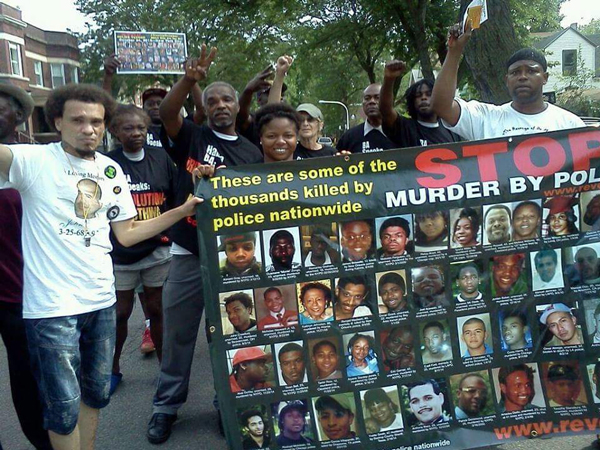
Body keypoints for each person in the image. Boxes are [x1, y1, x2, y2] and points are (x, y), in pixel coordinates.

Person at [0, 83, 201, 450]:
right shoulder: (31, 160)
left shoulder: (110, 169)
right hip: (51, 309)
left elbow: (127, 233)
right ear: (57, 121)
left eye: (96, 121)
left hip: (101, 301)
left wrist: (182, 210)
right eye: (77, 120)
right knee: (61, 409)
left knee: (94, 396)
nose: (88, 128)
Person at [149, 47, 263, 444]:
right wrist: (189, 80)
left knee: (228, 338)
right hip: (187, 252)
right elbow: (166, 113)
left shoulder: (252, 152)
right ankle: (165, 407)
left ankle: (225, 406)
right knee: (178, 336)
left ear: (237, 105)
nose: (219, 105)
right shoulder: (193, 136)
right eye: (212, 100)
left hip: (232, 260)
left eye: (226, 99)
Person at [107, 104, 177, 394]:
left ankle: (165, 370)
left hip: (157, 250)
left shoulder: (161, 158)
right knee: (120, 314)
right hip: (121, 253)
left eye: (140, 128)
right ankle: (111, 370)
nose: (135, 133)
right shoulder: (106, 163)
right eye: (128, 128)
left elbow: (173, 199)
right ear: (114, 131)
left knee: (157, 310)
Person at [0, 82, 52, 450]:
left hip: (19, 293)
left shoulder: (37, 162)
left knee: (28, 378)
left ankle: (44, 443)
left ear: (19, 116)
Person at [431, 23, 585, 139]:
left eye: (531, 71)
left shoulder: (570, 125)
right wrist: (454, 51)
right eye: (515, 72)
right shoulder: (486, 119)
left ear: (545, 78)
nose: (522, 77)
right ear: (507, 80)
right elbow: (441, 105)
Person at [380, 60, 460, 147]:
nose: (423, 97)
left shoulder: (452, 131)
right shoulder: (404, 128)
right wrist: (389, 79)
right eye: (418, 95)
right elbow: (385, 110)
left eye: (429, 94)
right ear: (412, 102)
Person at [336, 83, 395, 153]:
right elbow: (336, 162)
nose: (372, 101)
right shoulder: (349, 138)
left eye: (377, 98)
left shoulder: (402, 133)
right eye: (367, 98)